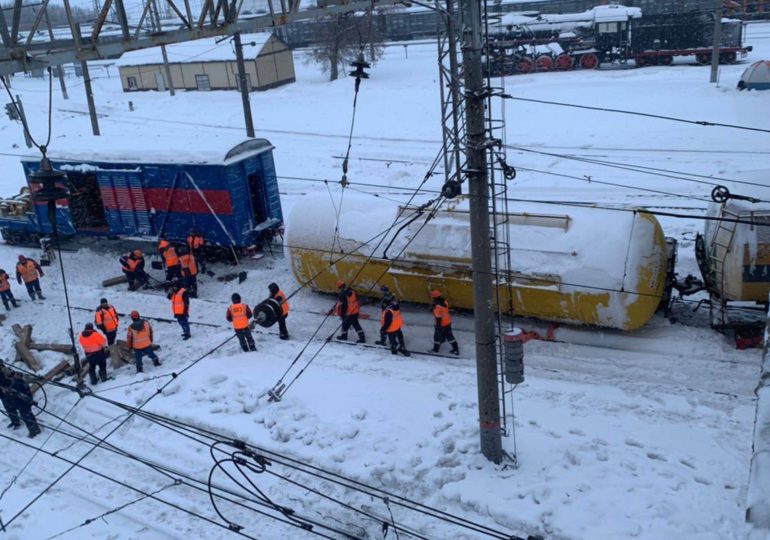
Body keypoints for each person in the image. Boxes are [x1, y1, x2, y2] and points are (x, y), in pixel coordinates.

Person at [9, 371, 40, 438]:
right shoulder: (23, 383)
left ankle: (33, 431)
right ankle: (37, 429)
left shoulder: (15, 384)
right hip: (27, 403)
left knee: (26, 417)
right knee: (30, 414)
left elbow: (16, 395)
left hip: (22, 404)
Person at [430, 290, 459, 355]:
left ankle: (436, 349)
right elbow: (444, 310)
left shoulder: (437, 307)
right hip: (447, 321)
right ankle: (455, 349)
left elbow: (438, 318)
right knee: (449, 336)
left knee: (437, 337)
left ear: (434, 298)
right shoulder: (444, 302)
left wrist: (438, 327)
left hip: (442, 324)